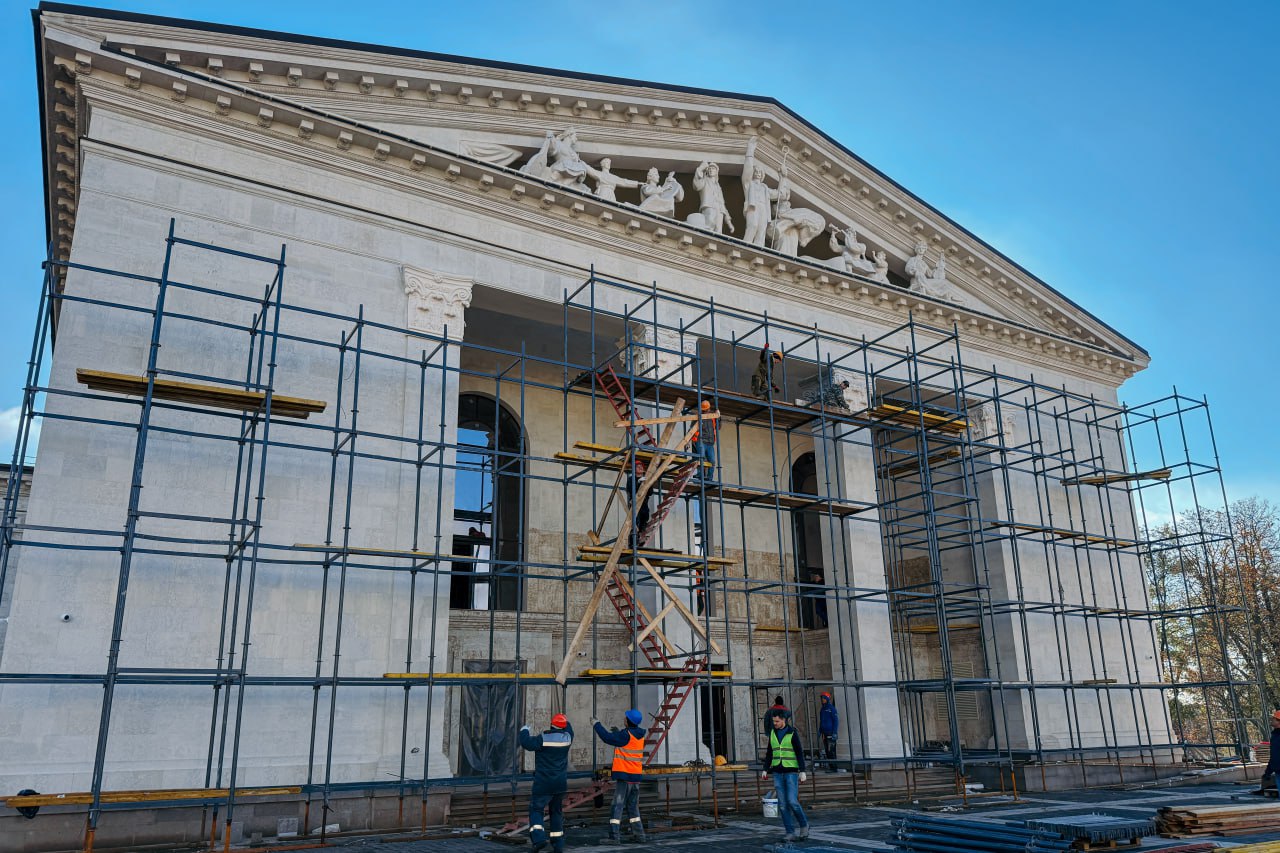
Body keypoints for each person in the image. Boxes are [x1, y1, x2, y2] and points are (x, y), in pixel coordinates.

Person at [519, 713, 574, 853]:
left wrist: (524, 730)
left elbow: (526, 743)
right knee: (556, 812)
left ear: (551, 724)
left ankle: (539, 840)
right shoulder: (567, 738)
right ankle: (558, 845)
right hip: (560, 784)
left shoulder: (543, 738)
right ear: (563, 726)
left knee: (536, 809)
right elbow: (569, 729)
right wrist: (565, 720)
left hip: (543, 783)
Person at [593, 709, 648, 843]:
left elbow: (607, 737)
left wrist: (596, 724)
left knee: (617, 806)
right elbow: (627, 741)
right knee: (632, 807)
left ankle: (614, 836)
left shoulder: (625, 735)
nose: (624, 719)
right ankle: (639, 835)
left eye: (625, 718)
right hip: (635, 777)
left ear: (628, 721)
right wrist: (618, 732)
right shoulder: (639, 735)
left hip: (625, 776)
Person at [762, 711, 810, 841]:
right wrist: (765, 769)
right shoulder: (772, 733)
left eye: (777, 721)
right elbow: (769, 752)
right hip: (777, 772)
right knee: (783, 805)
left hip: (791, 772)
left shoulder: (792, 733)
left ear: (784, 720)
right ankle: (790, 832)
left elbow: (799, 752)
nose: (775, 723)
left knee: (792, 801)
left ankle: (804, 825)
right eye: (774, 721)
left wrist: (802, 771)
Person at [683, 400, 718, 475]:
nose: (706, 411)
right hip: (701, 441)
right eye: (705, 410)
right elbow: (691, 430)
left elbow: (718, 427)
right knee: (701, 459)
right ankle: (700, 476)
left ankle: (709, 479)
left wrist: (719, 417)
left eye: (707, 409)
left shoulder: (712, 417)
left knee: (712, 461)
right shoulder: (698, 417)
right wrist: (687, 441)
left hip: (710, 443)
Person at [1252, 710, 1280, 797]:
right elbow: (1274, 755)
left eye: (1274, 718)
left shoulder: (1277, 736)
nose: (1271, 720)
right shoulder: (1275, 735)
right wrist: (1268, 772)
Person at [818, 692, 839, 767]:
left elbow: (836, 721)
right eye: (822, 698)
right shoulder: (822, 709)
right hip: (824, 733)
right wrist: (820, 731)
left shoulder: (831, 709)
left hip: (830, 733)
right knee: (827, 751)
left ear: (827, 699)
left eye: (824, 698)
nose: (822, 699)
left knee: (831, 751)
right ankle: (831, 767)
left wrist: (834, 732)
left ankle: (834, 768)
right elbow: (822, 721)